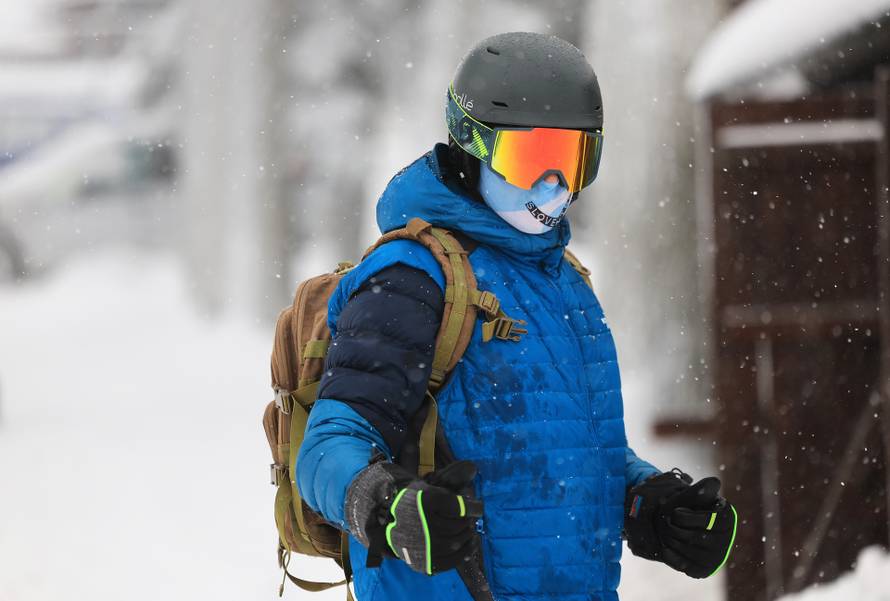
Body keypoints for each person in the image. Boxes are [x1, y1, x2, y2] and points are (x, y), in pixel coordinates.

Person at [296, 32, 737, 601]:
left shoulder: (567, 284)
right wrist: (388, 507)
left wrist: (647, 504)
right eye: (532, 159)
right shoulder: (412, 277)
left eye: (573, 161)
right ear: (470, 143)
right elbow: (329, 444)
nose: (553, 186)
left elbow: (570, 447)